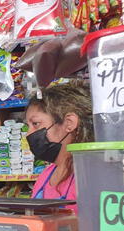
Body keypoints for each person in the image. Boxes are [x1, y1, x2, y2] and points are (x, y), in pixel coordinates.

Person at [25, 81, 94, 213]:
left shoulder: (91, 177)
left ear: (69, 123)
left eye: (36, 124)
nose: (28, 134)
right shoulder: (46, 174)